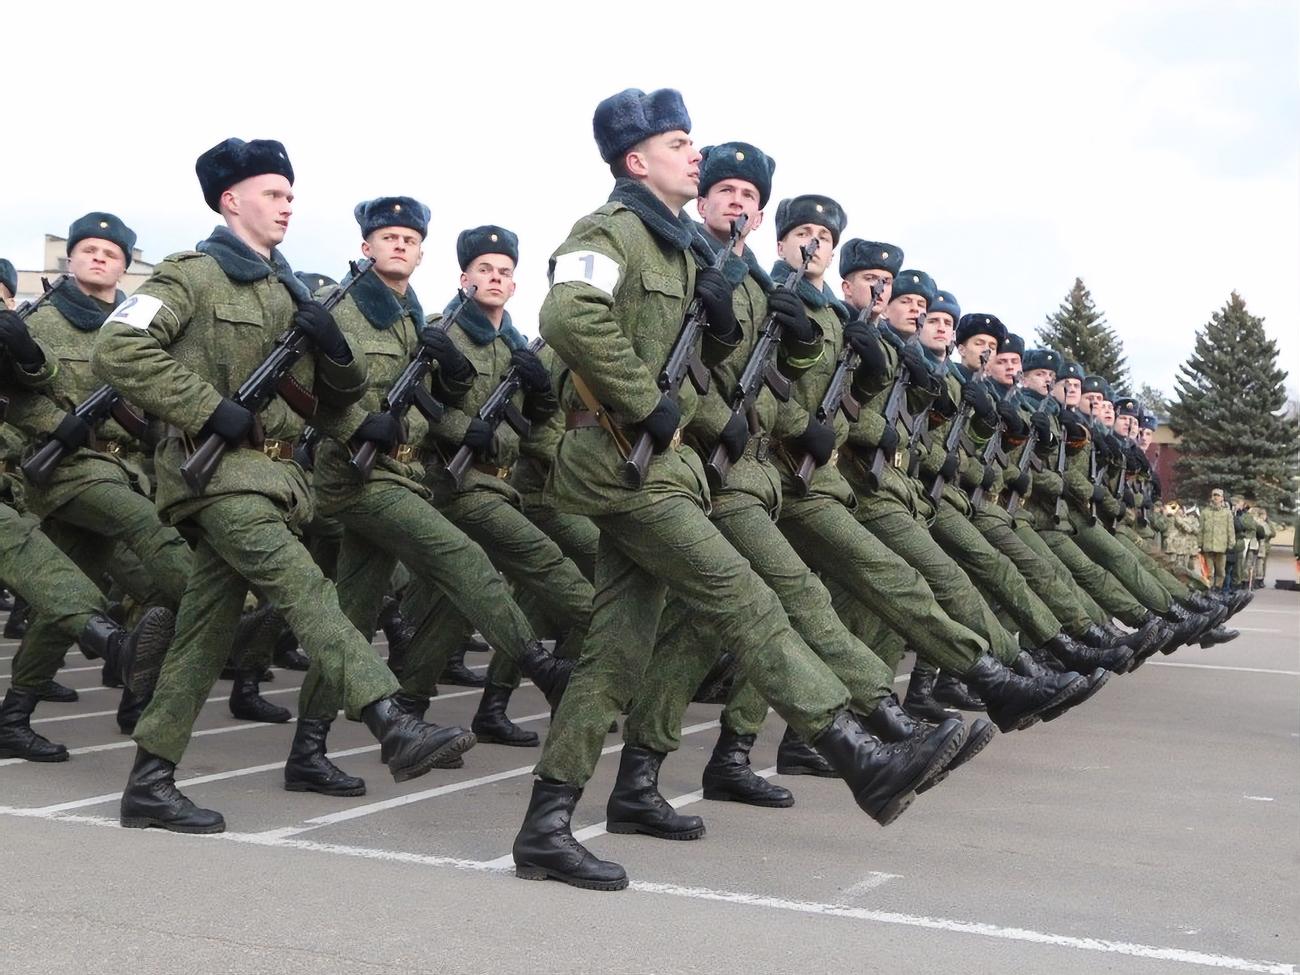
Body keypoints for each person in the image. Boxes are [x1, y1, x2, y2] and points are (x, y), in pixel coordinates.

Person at [512, 88, 958, 892]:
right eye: (681, 142)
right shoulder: (608, 232)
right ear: (635, 159)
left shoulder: (687, 253)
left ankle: (547, 824)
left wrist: (735, 330)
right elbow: (567, 315)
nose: (696, 153)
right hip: (620, 463)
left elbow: (737, 374)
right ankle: (856, 752)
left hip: (660, 466)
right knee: (744, 596)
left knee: (614, 655)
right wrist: (649, 401)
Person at [93, 137, 477, 834]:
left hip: (273, 478)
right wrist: (208, 407)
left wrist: (335, 356)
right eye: (273, 193)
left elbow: (332, 409)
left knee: (202, 636)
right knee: (306, 591)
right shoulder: (192, 275)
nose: (286, 205)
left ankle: (150, 780)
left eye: (290, 195)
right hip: (216, 473)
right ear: (231, 199)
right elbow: (118, 347)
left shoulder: (292, 288)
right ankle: (391, 720)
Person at [1200, 488, 1234, 590]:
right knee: (1209, 572)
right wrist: (1199, 544)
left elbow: (1230, 529)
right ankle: (1209, 589)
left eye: (1218, 496)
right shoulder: (1205, 512)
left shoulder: (1227, 513)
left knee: (1221, 572)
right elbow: (1200, 529)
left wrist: (1231, 544)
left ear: (1222, 498)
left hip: (1221, 547)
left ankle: (1218, 589)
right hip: (1208, 546)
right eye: (1214, 495)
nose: (1216, 498)